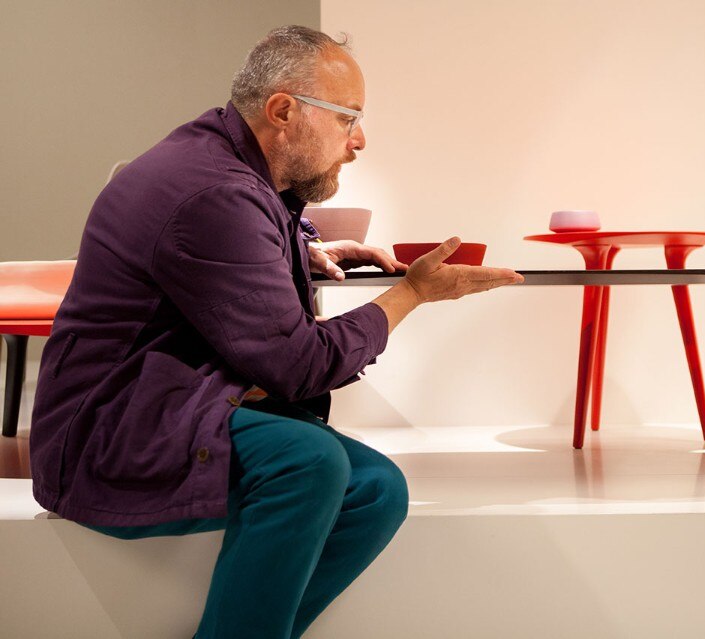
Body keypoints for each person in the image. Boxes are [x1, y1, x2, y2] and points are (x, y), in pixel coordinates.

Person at [29, 25, 523, 638]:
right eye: (348, 118)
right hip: (109, 433)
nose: (359, 140)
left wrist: (292, 248)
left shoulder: (219, 164)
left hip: (166, 404)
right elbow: (299, 367)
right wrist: (412, 293)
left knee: (376, 489)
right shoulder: (215, 191)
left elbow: (216, 248)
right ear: (284, 111)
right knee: (308, 461)